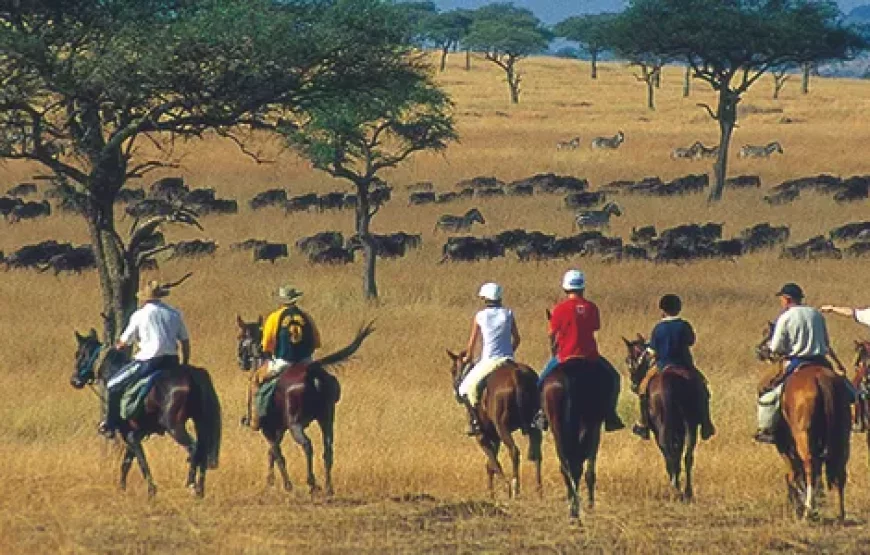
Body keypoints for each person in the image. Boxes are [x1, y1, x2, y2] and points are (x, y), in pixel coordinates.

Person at [535, 270, 625, 432]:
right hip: (590, 356)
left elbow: (551, 334)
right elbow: (595, 327)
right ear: (582, 288)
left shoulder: (559, 309)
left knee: (541, 381)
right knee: (614, 378)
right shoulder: (592, 307)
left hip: (564, 356)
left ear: (565, 288)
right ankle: (611, 415)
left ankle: (541, 413)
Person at [98, 280, 190, 438]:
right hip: (171, 361)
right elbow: (185, 341)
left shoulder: (140, 315)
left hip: (149, 361)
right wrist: (185, 363)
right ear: (160, 296)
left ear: (144, 298)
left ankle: (111, 424)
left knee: (113, 384)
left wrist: (116, 347)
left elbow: (124, 342)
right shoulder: (174, 313)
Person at [755, 283, 833, 444]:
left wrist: (771, 350)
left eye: (782, 299)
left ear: (787, 299)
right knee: (848, 389)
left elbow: (776, 346)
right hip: (821, 361)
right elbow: (826, 342)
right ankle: (855, 419)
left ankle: (767, 428)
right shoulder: (816, 314)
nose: (781, 302)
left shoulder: (786, 316)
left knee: (766, 390)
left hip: (796, 361)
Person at [632, 294, 715, 441]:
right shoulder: (684, 325)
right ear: (679, 308)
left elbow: (652, 352)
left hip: (662, 366)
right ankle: (706, 423)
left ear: (662, 310)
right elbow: (691, 342)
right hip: (684, 366)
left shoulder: (658, 328)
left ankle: (643, 423)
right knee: (703, 387)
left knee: (643, 389)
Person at [243, 285, 323, 431]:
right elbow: (317, 342)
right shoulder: (306, 316)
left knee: (255, 380)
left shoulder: (274, 317)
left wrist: (274, 350)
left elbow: (266, 344)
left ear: (281, 301)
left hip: (283, 362)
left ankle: (254, 420)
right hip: (306, 362)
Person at [456, 282, 520, 435]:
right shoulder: (508, 313)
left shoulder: (480, 316)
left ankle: (475, 422)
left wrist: (466, 360)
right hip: (508, 359)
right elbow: (517, 338)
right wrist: (509, 352)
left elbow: (471, 348)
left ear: (485, 299)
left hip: (489, 361)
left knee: (464, 388)